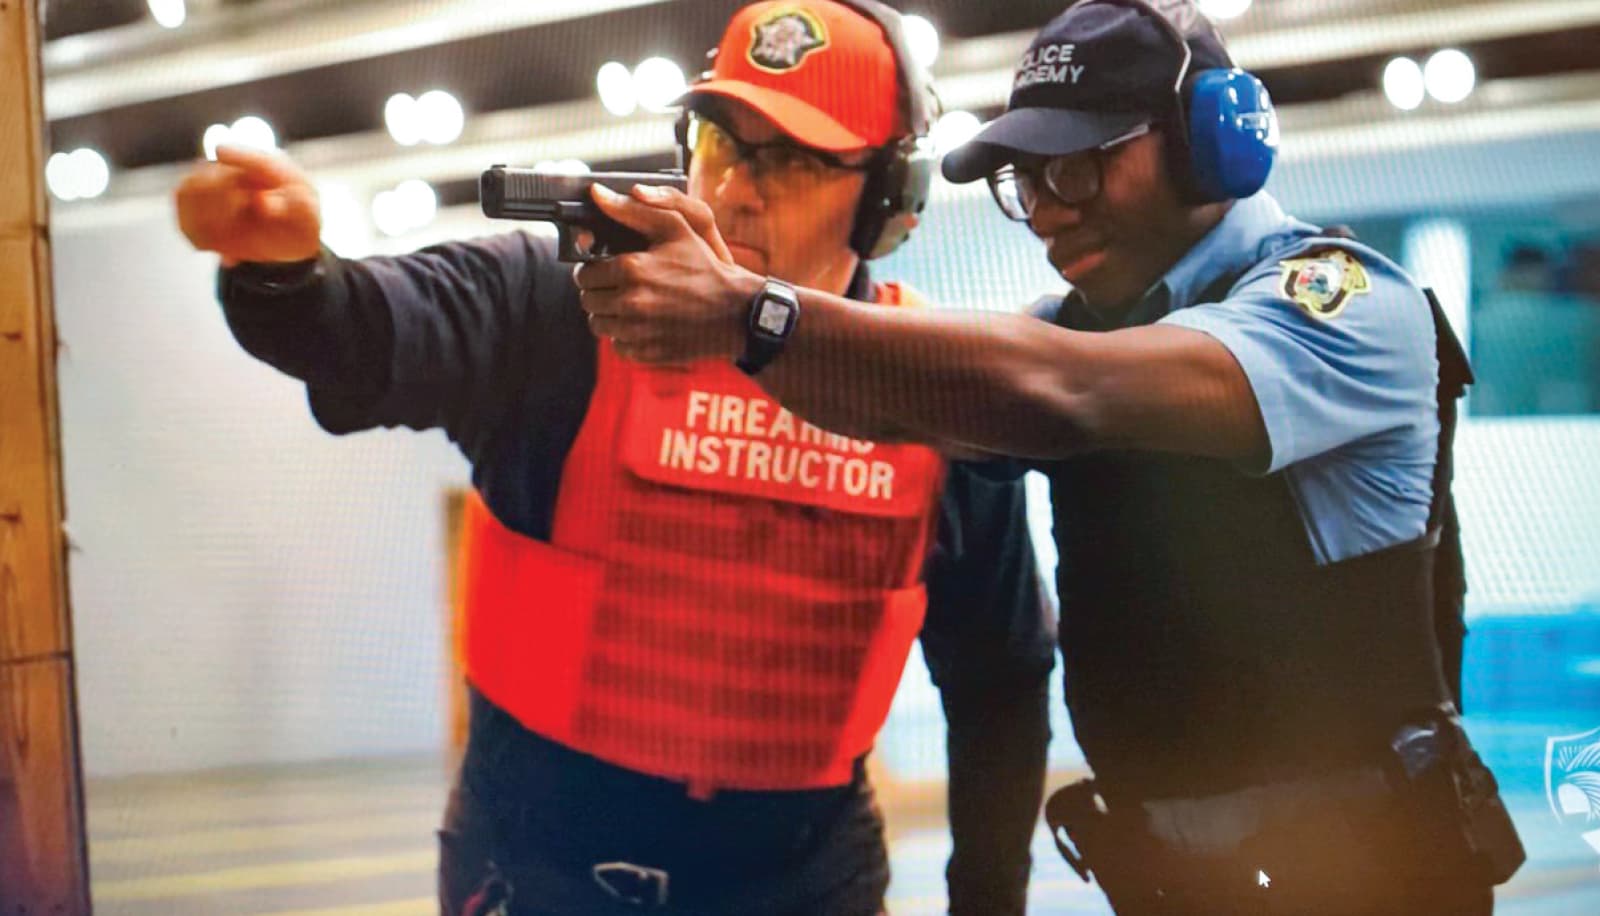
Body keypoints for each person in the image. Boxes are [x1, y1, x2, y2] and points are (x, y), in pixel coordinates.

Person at [572, 0, 1529, 911]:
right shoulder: (1083, 331)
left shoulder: (1341, 304)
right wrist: (736, 317)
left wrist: (753, 312)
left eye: (1075, 168)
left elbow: (1068, 391)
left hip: (1369, 881)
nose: (1044, 211)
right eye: (1024, 181)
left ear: (1209, 141)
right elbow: (891, 405)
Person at [171, 1, 1055, 914]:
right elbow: (361, 330)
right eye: (721, 142)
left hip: (802, 883)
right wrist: (283, 273)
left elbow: (1000, 677)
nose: (737, 189)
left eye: (794, 160)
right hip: (539, 872)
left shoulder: (930, 389)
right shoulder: (557, 308)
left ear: (889, 195)